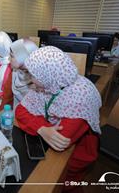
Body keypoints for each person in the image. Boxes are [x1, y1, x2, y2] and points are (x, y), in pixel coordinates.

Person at [15, 46, 102, 192]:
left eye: (33, 75)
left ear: (47, 73)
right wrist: (41, 128)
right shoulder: (50, 83)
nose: (32, 80)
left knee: (61, 184)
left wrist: (37, 123)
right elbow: (21, 110)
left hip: (77, 152)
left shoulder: (81, 97)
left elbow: (61, 140)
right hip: (48, 142)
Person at [0, 38, 38, 110]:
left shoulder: (39, 80)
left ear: (22, 57)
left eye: (12, 56)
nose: (9, 59)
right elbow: (7, 98)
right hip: (17, 115)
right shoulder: (15, 72)